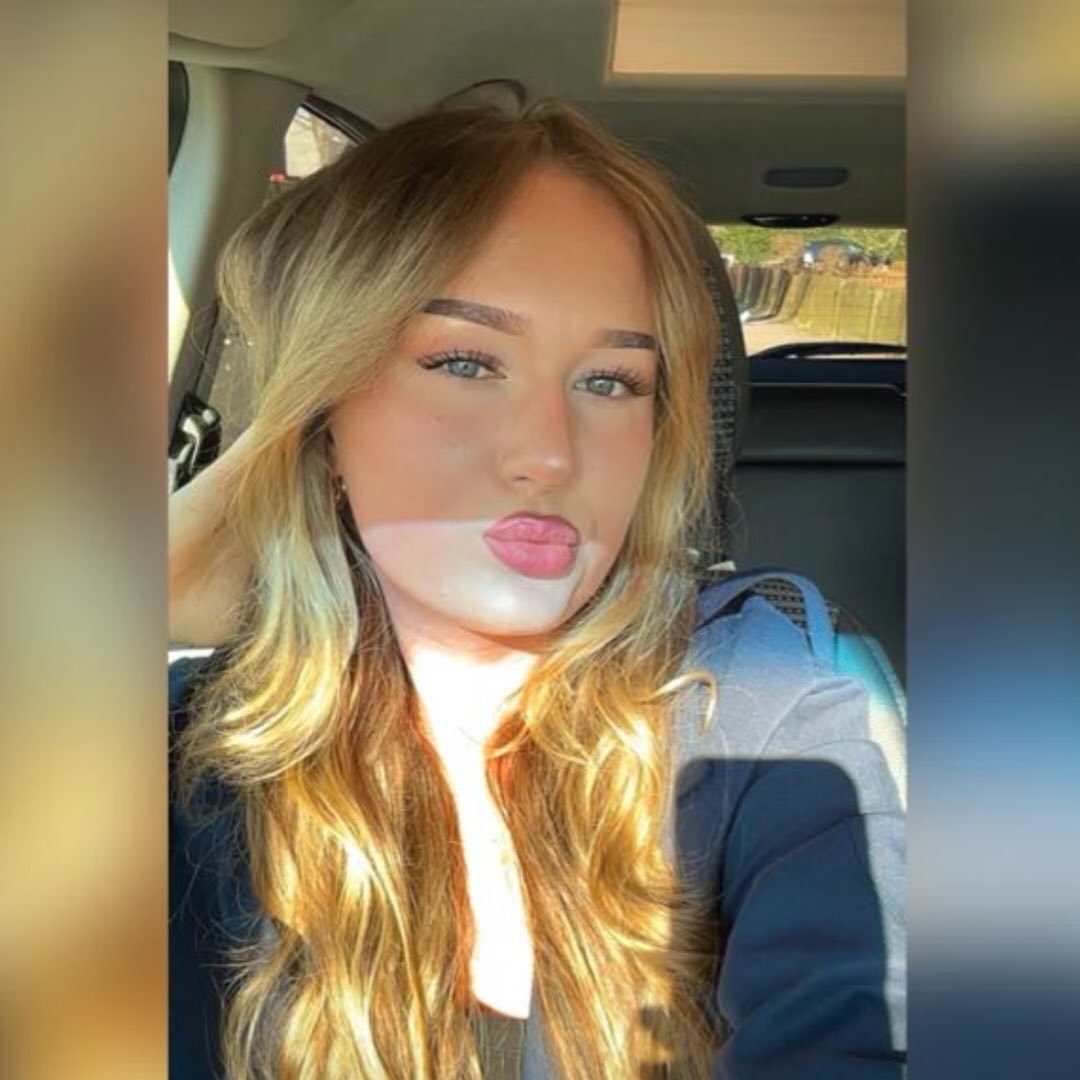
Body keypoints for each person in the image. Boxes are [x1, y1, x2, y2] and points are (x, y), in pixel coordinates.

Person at [169, 102, 905, 1079]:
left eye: (610, 382)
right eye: (466, 362)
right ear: (322, 408)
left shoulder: (763, 706)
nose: (550, 455)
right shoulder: (198, 760)